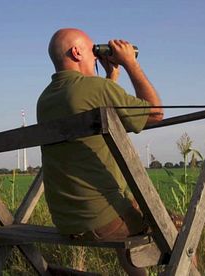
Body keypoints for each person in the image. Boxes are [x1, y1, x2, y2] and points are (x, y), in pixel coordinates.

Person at [36, 28, 163, 276]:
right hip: (103, 220)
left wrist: (110, 78)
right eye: (93, 50)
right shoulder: (95, 88)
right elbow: (156, 113)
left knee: (125, 206)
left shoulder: (46, 98)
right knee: (178, 228)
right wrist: (129, 64)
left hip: (68, 220)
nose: (96, 56)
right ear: (76, 51)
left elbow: (97, 108)